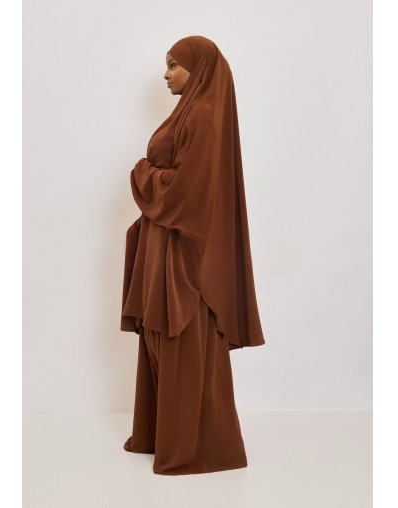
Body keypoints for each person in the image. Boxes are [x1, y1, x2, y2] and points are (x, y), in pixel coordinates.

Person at [120, 35, 266, 475]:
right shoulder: (188, 112)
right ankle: (167, 435)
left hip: (183, 253)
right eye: (166, 65)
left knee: (181, 335)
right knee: (160, 335)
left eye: (173, 65)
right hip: (165, 243)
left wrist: (141, 173)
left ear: (198, 68)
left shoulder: (201, 116)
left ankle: (195, 447)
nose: (165, 75)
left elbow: (185, 192)